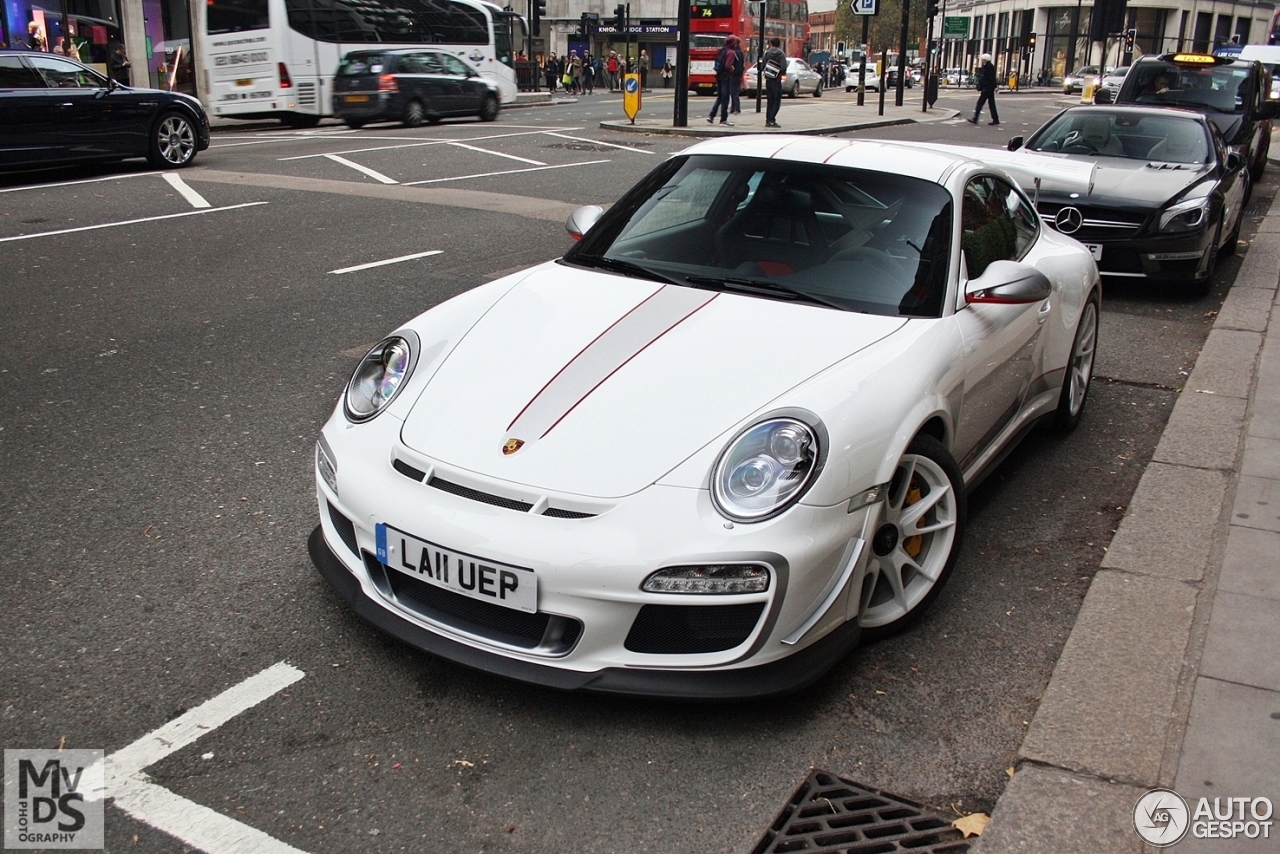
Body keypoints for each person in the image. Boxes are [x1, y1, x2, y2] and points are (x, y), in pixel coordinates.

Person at [707, 35, 739, 126]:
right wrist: (732, 69)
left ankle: (711, 115)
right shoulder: (731, 52)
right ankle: (723, 120)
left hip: (719, 76)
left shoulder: (723, 50)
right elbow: (728, 66)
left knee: (720, 97)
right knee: (725, 98)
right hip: (726, 77)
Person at [967, 53, 1000, 126]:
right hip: (989, 88)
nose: (982, 61)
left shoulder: (988, 67)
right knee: (991, 104)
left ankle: (975, 118)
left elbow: (990, 78)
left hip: (987, 88)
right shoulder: (988, 66)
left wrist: (995, 86)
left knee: (980, 103)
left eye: (983, 60)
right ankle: (995, 119)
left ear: (985, 60)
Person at [763, 37, 786, 128]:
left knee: (770, 100)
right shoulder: (781, 54)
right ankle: (771, 120)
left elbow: (762, 66)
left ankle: (768, 120)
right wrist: (781, 73)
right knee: (776, 100)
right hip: (776, 80)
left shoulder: (767, 53)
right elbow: (783, 67)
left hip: (768, 79)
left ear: (771, 44)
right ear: (779, 44)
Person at [729, 38, 745, 114]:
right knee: (734, 91)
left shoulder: (734, 52)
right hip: (739, 73)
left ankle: (737, 108)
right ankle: (733, 108)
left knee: (733, 92)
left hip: (734, 74)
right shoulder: (740, 52)